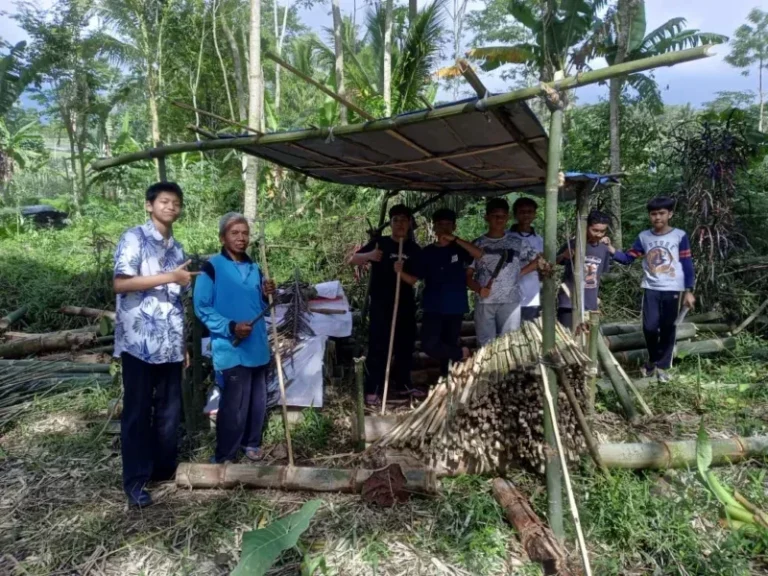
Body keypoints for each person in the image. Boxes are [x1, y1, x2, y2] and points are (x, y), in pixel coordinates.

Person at [113, 181, 197, 508]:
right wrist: (168, 278)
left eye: (176, 203)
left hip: (170, 343)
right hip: (138, 342)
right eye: (164, 201)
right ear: (149, 205)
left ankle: (163, 470)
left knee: (169, 411)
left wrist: (184, 343)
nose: (171, 207)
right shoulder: (133, 238)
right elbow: (121, 283)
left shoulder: (177, 249)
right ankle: (135, 481)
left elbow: (179, 302)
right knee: (136, 413)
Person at [194, 213, 276, 463]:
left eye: (245, 233)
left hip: (258, 346)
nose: (241, 238)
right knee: (234, 405)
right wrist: (230, 326)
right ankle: (225, 455)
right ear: (222, 237)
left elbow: (261, 304)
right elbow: (202, 306)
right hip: (231, 347)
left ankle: (251, 443)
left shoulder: (255, 268)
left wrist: (266, 294)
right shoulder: (212, 268)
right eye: (235, 233)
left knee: (257, 401)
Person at [606, 197, 696, 382]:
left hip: (674, 288)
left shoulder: (679, 235)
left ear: (670, 214)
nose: (657, 217)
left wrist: (689, 290)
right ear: (649, 216)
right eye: (654, 214)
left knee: (668, 328)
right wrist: (610, 249)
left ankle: (662, 367)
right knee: (649, 327)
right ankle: (654, 360)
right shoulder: (644, 237)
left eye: (662, 213)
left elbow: (686, 263)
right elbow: (628, 258)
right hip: (651, 287)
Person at [351, 204, 422, 405]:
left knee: (404, 346)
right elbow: (352, 259)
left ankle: (403, 385)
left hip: (405, 305)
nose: (400, 224)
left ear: (409, 224)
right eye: (396, 220)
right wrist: (369, 256)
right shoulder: (380, 243)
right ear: (391, 223)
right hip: (381, 305)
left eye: (404, 220)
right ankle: (373, 388)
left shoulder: (413, 249)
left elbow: (414, 280)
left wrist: (401, 272)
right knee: (378, 345)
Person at [467, 198, 542, 347]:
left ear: (507, 218)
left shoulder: (517, 243)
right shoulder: (478, 243)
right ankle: (487, 371)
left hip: (511, 302)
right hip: (485, 302)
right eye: (494, 215)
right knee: (485, 345)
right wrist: (478, 289)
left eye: (502, 216)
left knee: (510, 344)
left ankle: (506, 371)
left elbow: (539, 259)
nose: (499, 219)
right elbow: (467, 275)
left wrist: (518, 273)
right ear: (486, 217)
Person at [420, 208, 483, 377]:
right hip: (433, 305)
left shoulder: (460, 249)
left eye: (448, 224)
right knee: (429, 344)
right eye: (440, 224)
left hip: (455, 304)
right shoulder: (427, 252)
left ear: (454, 227)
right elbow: (417, 275)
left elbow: (479, 254)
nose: (444, 228)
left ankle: (446, 382)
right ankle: (461, 352)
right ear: (434, 227)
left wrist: (455, 239)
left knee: (448, 344)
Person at [556, 210, 613, 330]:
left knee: (587, 342)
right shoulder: (573, 244)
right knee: (567, 339)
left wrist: (596, 300)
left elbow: (599, 276)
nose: (598, 234)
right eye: (595, 230)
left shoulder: (604, 249)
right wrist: (564, 256)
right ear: (586, 228)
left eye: (602, 231)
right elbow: (554, 262)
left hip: (590, 304)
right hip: (569, 301)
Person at [509, 197, 543, 322]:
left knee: (529, 333)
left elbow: (542, 265)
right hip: (509, 296)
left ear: (535, 215)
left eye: (529, 212)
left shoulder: (539, 240)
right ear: (515, 215)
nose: (526, 215)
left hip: (531, 295)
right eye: (522, 212)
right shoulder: (506, 237)